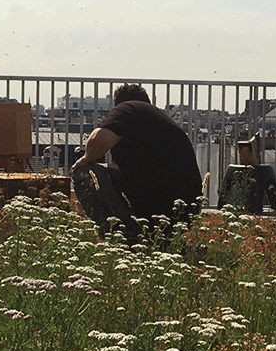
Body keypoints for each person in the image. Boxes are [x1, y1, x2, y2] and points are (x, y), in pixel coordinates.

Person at [71, 84, 203, 240]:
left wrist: (86, 159)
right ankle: (156, 238)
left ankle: (124, 233)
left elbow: (97, 141)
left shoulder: (128, 108)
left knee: (85, 174)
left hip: (157, 202)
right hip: (185, 211)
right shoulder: (157, 119)